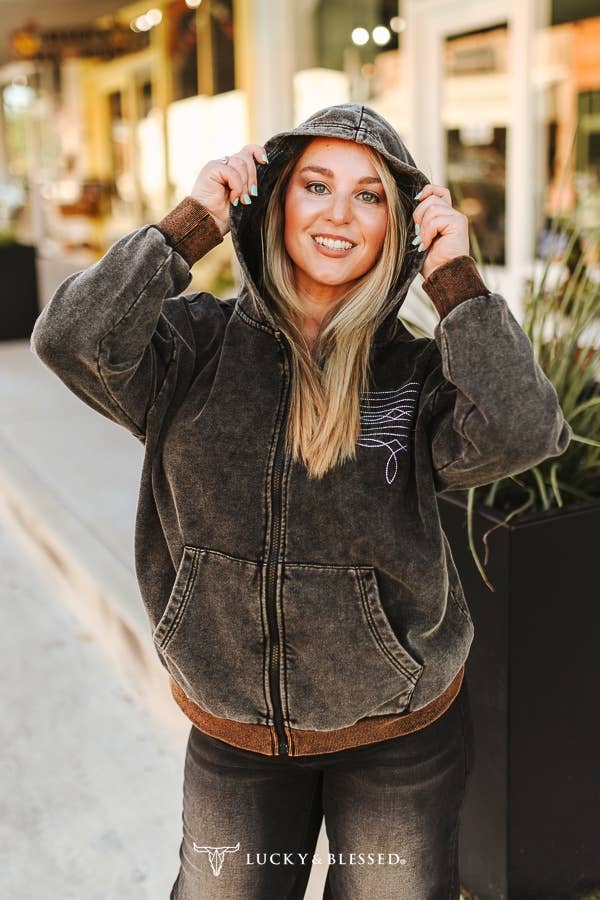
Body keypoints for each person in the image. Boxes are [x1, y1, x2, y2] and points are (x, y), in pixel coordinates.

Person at [30, 103, 572, 899]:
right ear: (276, 200)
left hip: (397, 736)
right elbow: (68, 339)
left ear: (397, 227)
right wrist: (191, 224)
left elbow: (525, 430)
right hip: (235, 736)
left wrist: (455, 277)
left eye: (369, 196)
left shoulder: (416, 375)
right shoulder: (193, 347)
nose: (338, 215)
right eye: (316, 186)